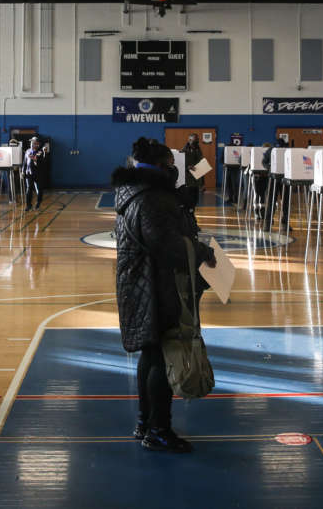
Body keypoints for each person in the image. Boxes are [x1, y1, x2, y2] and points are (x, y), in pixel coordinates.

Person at [112, 137, 215, 454]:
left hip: (137, 283)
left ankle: (145, 423)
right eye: (171, 165)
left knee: (150, 354)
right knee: (159, 356)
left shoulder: (130, 191)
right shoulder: (154, 198)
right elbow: (167, 245)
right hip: (155, 286)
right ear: (159, 167)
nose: (175, 170)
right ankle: (158, 430)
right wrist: (202, 252)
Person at [24, 136, 47, 211]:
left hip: (38, 174)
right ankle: (28, 205)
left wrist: (35, 160)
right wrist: (22, 171)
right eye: (31, 142)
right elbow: (24, 162)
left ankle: (38, 203)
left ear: (38, 144)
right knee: (28, 189)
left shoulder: (40, 152)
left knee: (39, 189)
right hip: (29, 173)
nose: (32, 144)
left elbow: (41, 163)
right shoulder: (27, 151)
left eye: (34, 143)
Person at [182, 133, 203, 213]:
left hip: (196, 179)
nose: (197, 142)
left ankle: (192, 212)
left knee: (195, 199)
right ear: (189, 140)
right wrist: (187, 167)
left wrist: (202, 183)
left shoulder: (198, 149)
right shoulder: (183, 150)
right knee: (189, 200)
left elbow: (200, 161)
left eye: (197, 140)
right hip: (188, 179)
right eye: (195, 140)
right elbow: (180, 164)